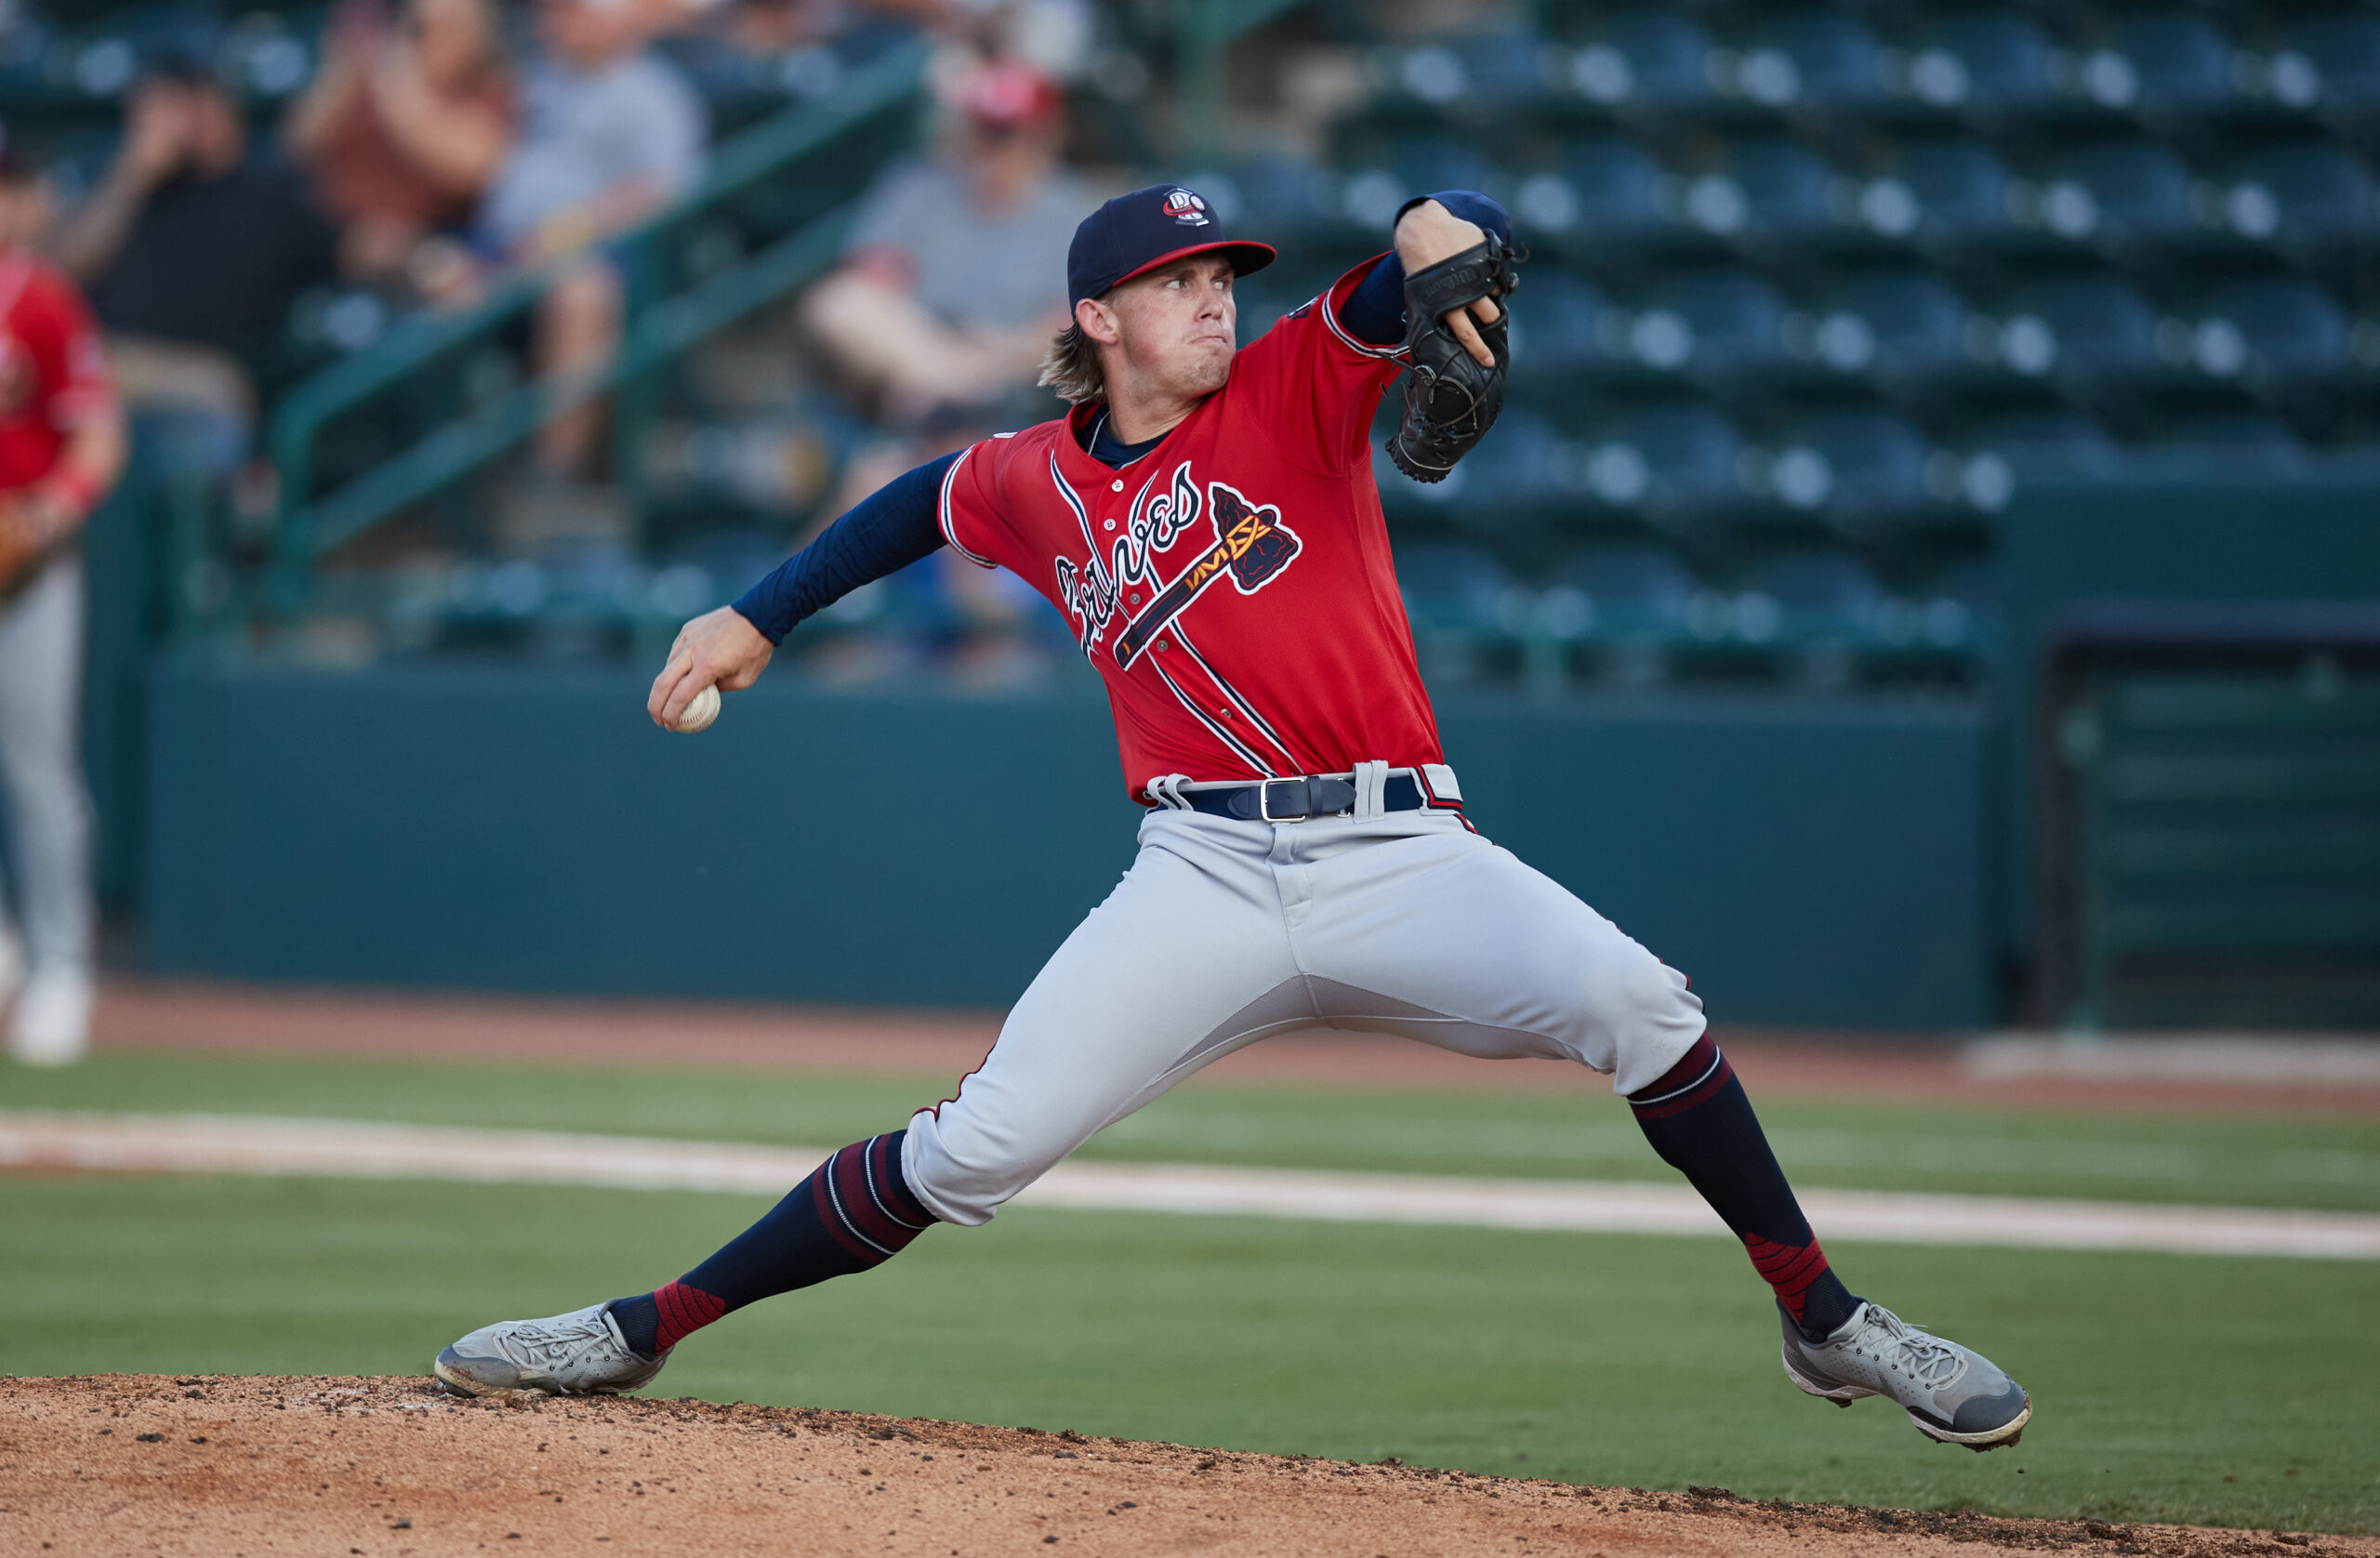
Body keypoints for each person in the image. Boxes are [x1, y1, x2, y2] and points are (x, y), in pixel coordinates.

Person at [434, 182, 2032, 1455]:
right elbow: (917, 500)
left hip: (1399, 850)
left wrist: (1449, 237)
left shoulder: (1294, 381)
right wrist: (757, 615)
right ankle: (643, 1326)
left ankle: (1823, 1312)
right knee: (979, 1143)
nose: (1220, 299)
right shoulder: (1037, 481)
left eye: (1226, 276)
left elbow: (1424, 247)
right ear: (1100, 316)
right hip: (1198, 869)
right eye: (1187, 281)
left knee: (1644, 1003)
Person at [51, 59, 339, 473]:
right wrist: (133, 173)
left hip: (188, 384)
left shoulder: (269, 195)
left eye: (168, 108)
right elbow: (58, 275)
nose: (153, 126)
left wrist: (420, 261)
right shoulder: (134, 188)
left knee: (214, 402)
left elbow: (352, 245)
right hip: (97, 361)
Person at [0, 140, 127, 1065]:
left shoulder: (39, 300)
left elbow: (97, 436)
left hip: (29, 565)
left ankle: (62, 968)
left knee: (36, 763)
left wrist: (47, 514)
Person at [474, 0, 707, 478]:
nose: (554, 22)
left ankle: (553, 473)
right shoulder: (534, 79)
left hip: (588, 252)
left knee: (582, 293)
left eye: (572, 12)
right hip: (493, 244)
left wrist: (561, 235)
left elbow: (661, 194)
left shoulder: (653, 91)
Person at [801, 57, 1093, 429]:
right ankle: (946, 387)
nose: (999, 147)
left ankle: (942, 393)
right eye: (989, 132)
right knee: (840, 301)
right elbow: (869, 285)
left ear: (1048, 135)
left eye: (1014, 133)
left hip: (1009, 362)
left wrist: (997, 349)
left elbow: (1072, 323)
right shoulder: (920, 186)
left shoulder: (1076, 212)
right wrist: (940, 357)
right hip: (917, 346)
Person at [283, 0, 513, 289]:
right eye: (420, 28)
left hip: (431, 243)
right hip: (328, 233)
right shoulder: (368, 78)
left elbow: (474, 171)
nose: (431, 38)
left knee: (444, 270)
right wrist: (342, 68)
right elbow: (298, 146)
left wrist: (400, 89)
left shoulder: (486, 90)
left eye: (449, 27)